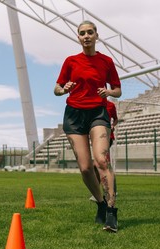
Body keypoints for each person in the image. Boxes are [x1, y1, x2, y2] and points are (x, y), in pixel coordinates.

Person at [54, 20, 122, 232]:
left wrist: (109, 93)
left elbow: (118, 89)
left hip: (98, 113)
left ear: (96, 35)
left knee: (101, 160)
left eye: (90, 32)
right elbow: (56, 89)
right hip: (74, 115)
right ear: (78, 37)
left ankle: (111, 212)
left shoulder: (106, 61)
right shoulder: (71, 61)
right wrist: (63, 89)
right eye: (82, 33)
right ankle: (100, 204)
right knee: (85, 168)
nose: (86, 36)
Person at [91, 99, 118, 201]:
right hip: (96, 137)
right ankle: (97, 191)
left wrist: (112, 125)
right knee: (95, 165)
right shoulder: (92, 104)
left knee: (103, 163)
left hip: (108, 137)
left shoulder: (110, 105)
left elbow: (115, 119)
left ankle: (112, 192)